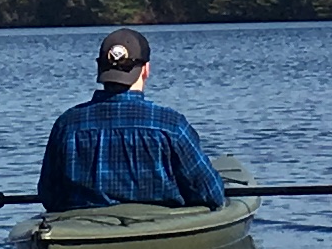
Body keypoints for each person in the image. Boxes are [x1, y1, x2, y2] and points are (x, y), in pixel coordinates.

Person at [36, 26, 231, 212]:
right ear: (146, 69)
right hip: (160, 228)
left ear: (100, 68)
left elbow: (49, 195)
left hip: (84, 229)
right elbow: (211, 194)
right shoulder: (172, 125)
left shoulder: (67, 124)